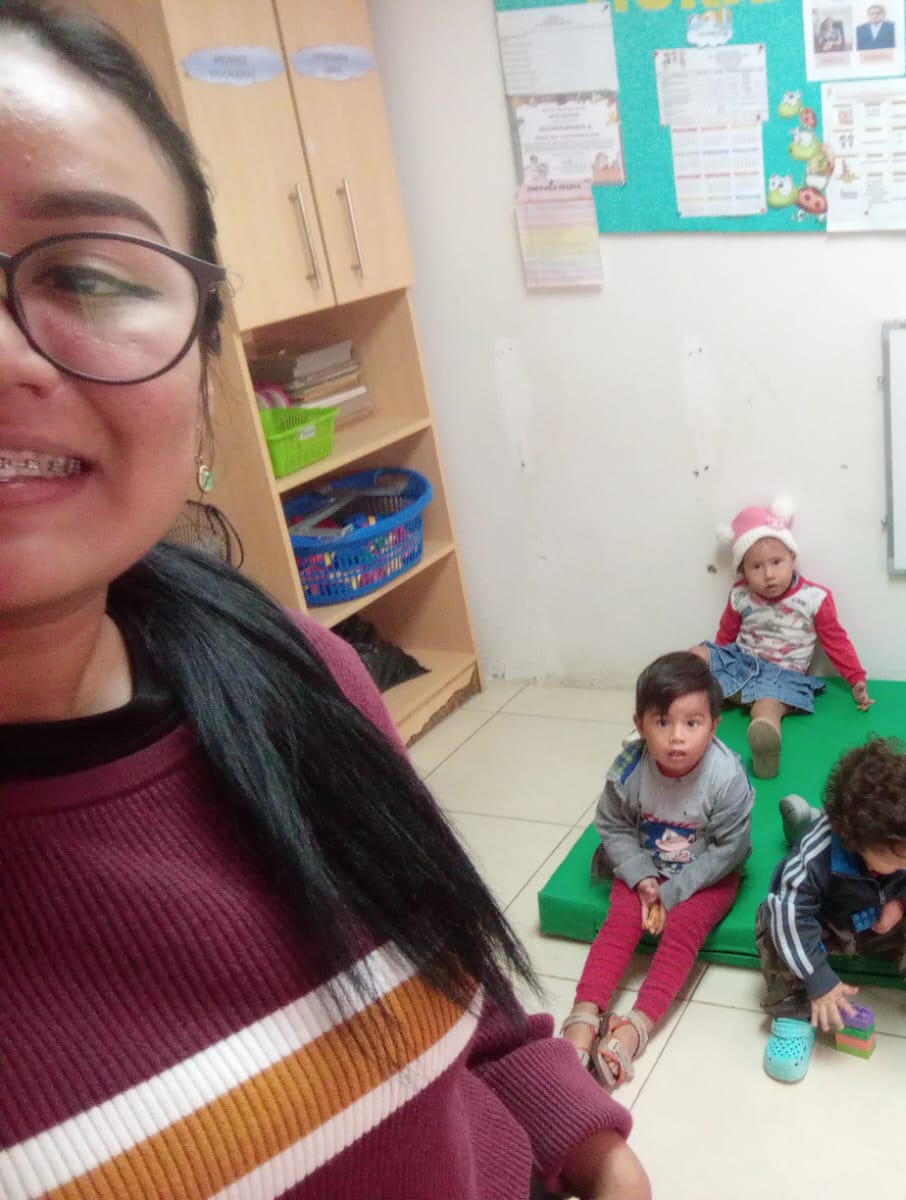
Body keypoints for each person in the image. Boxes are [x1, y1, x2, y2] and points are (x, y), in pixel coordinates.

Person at [0, 4, 645, 1196]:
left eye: (83, 275)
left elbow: (452, 969)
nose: (8, 357)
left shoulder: (293, 670)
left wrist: (581, 1138)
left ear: (206, 350)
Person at [562, 652, 753, 1090]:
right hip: (646, 865)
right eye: (662, 722)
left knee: (683, 927)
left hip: (707, 874)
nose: (677, 737)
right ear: (640, 723)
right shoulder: (629, 769)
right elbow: (612, 824)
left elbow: (730, 849)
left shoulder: (726, 777)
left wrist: (674, 892)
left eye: (692, 723)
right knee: (620, 922)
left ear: (714, 725)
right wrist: (640, 875)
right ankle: (585, 1013)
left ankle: (637, 1026)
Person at [757, 738, 906, 1108]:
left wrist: (904, 901)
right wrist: (817, 979)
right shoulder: (819, 853)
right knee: (775, 919)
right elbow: (788, 909)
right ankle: (792, 1008)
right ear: (856, 844)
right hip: (829, 924)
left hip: (889, 924)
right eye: (898, 860)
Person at [693, 497, 872, 779]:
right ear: (742, 571)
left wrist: (855, 677)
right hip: (741, 665)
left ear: (793, 559)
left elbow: (835, 640)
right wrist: (714, 665)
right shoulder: (740, 595)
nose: (769, 575)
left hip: (781, 678)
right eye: (756, 567)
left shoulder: (814, 598)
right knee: (699, 654)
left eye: (777, 562)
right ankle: (670, 705)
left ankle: (765, 741)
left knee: (766, 708)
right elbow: (725, 639)